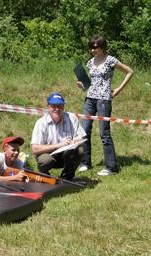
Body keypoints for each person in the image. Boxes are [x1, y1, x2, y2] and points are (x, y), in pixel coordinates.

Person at [77, 35, 134, 176]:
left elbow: (129, 72)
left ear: (102, 47)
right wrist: (82, 85)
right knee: (84, 131)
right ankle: (85, 162)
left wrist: (118, 90)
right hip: (89, 98)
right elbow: (91, 83)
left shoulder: (110, 60)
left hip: (104, 100)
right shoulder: (90, 62)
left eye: (95, 47)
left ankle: (110, 167)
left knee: (104, 133)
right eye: (91, 48)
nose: (92, 50)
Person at [31, 93, 86, 180]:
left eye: (60, 106)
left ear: (63, 107)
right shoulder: (41, 123)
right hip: (49, 155)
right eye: (53, 106)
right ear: (48, 107)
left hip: (66, 154)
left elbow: (81, 136)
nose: (57, 109)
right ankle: (45, 176)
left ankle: (67, 176)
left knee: (80, 150)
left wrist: (75, 140)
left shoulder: (71, 118)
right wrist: (59, 145)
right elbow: (34, 149)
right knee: (45, 160)